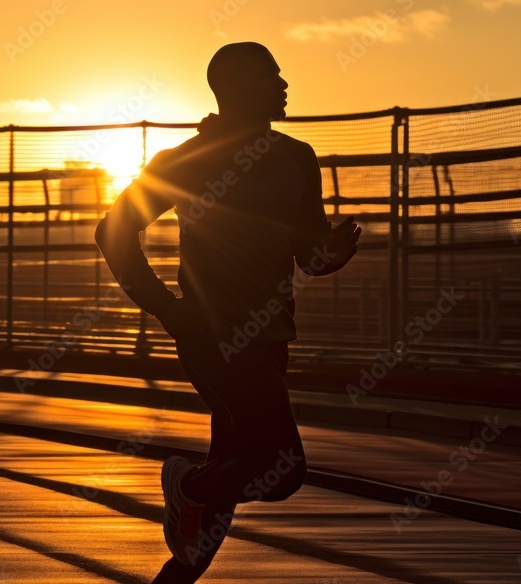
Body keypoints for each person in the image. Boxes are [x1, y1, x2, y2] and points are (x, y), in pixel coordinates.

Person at [94, 41, 361, 582]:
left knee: (207, 530)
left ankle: (187, 536)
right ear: (234, 89)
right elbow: (114, 231)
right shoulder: (186, 163)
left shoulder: (296, 158)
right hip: (213, 337)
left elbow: (307, 255)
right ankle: (186, 484)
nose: (283, 85)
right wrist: (168, 309)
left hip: (270, 338)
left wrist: (329, 253)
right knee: (281, 470)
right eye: (271, 76)